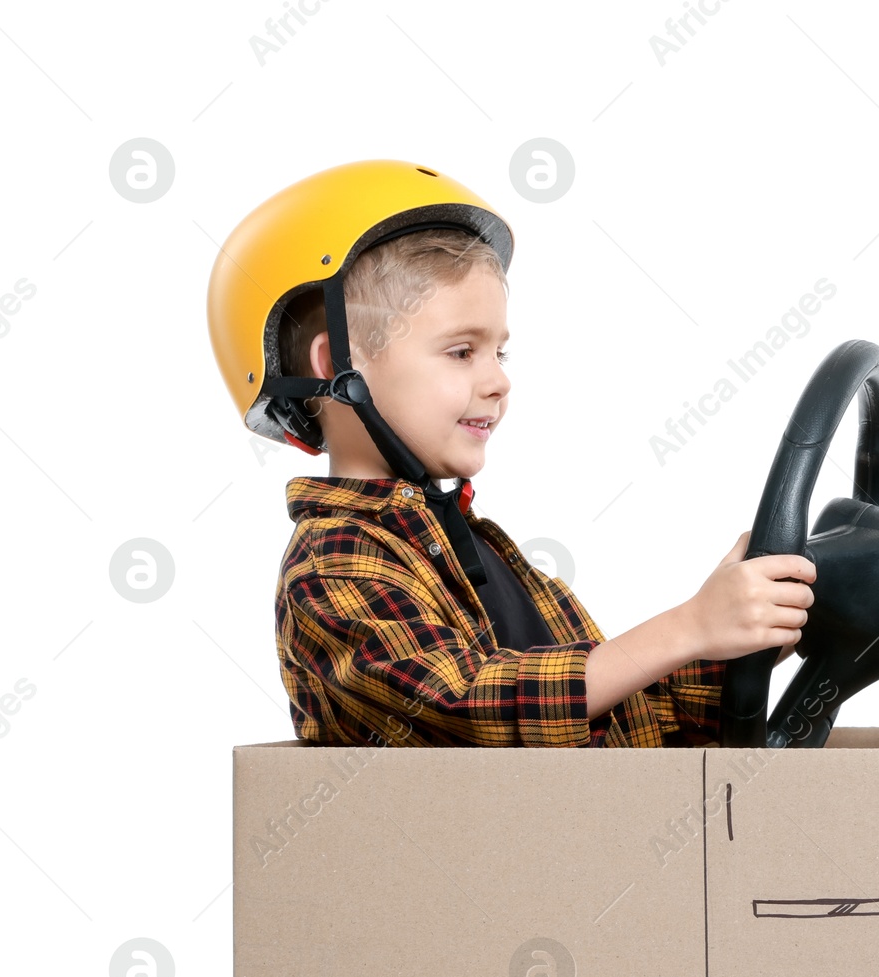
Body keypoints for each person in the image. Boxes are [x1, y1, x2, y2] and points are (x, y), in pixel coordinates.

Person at [206, 159, 814, 747]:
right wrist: (688, 626)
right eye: (461, 351)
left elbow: (622, 718)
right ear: (335, 366)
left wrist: (747, 632)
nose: (499, 381)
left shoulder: (480, 551)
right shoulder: (334, 564)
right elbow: (470, 708)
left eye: (500, 353)